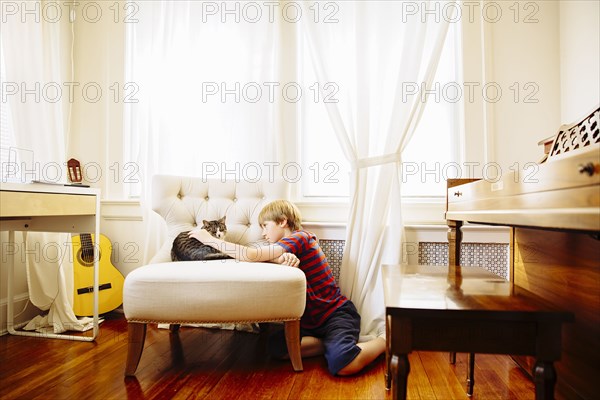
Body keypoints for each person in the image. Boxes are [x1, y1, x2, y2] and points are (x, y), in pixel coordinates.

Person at [189, 199, 385, 376]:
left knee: (342, 364)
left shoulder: (301, 237)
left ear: (282, 221)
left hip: (335, 315)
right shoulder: (286, 249)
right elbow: (261, 258)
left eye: (265, 226)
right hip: (309, 323)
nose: (263, 233)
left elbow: (250, 255)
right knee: (277, 347)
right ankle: (330, 343)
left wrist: (209, 240)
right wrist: (278, 258)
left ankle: (384, 340)